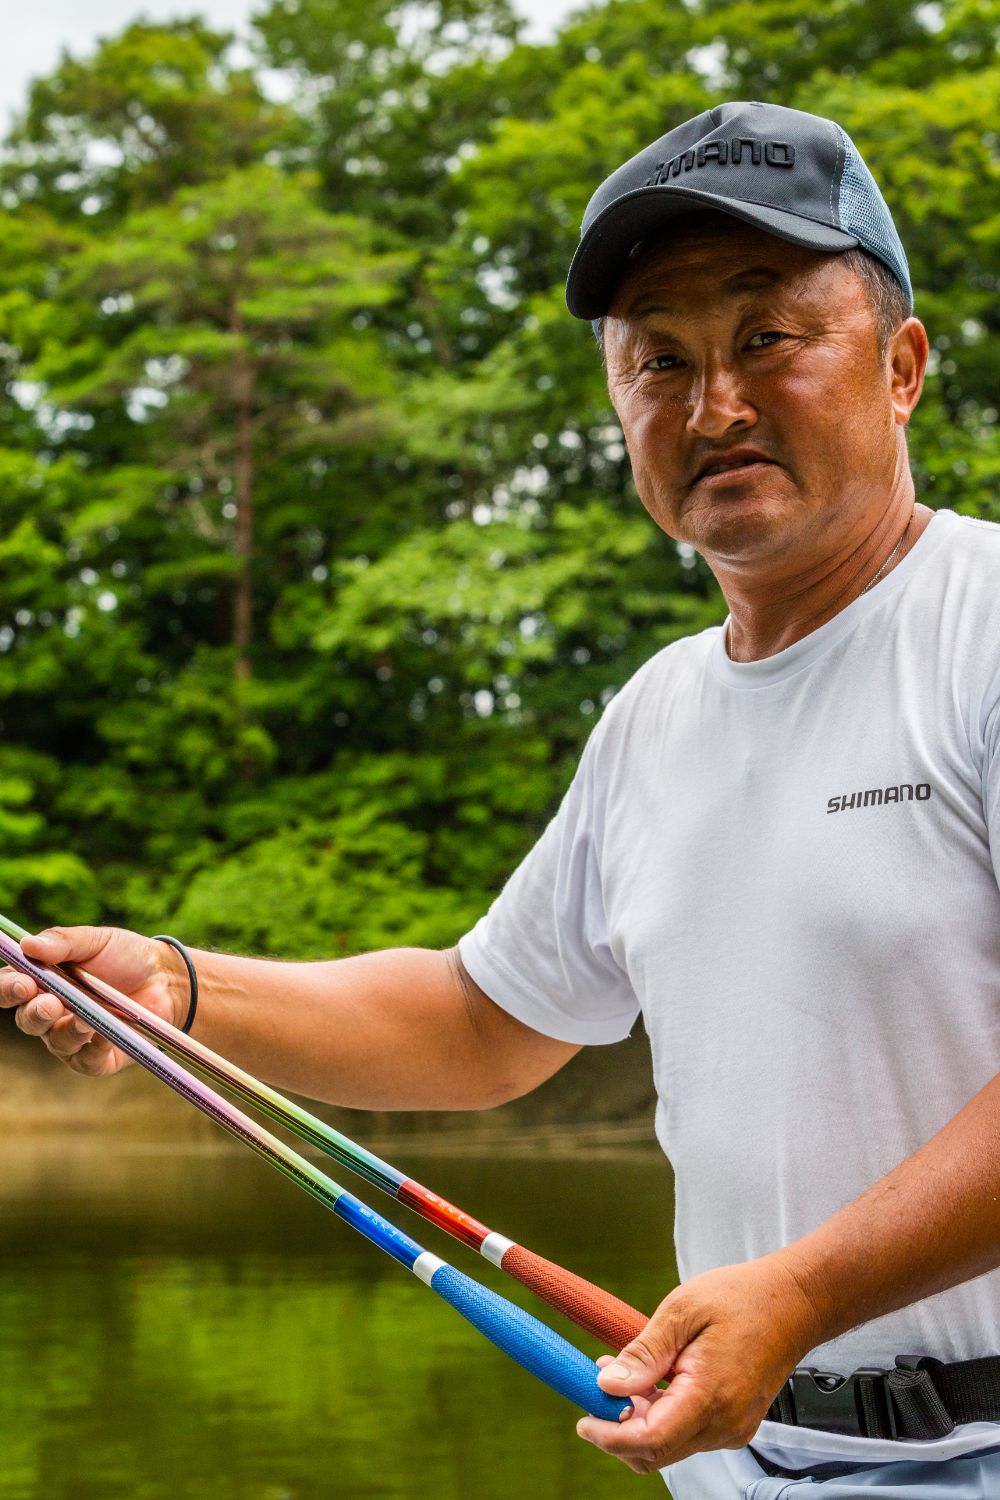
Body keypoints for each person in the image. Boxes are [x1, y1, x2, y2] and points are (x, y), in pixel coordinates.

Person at [4, 99, 1000, 1499]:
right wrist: (179, 987)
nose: (713, 403)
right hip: (736, 1466)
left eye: (767, 338)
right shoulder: (656, 715)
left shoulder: (984, 626)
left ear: (900, 368)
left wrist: (803, 1295)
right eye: (660, 360)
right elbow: (483, 1023)